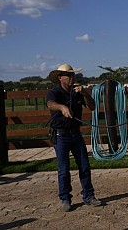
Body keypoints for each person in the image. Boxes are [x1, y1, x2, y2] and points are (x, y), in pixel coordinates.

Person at [46, 63, 101, 212]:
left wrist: (85, 94)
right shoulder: (54, 92)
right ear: (60, 78)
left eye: (73, 75)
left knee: (84, 165)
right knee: (63, 169)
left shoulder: (78, 92)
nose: (71, 78)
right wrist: (62, 107)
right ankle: (65, 198)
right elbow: (50, 104)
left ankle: (88, 196)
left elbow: (93, 107)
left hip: (75, 134)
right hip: (61, 135)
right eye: (68, 75)